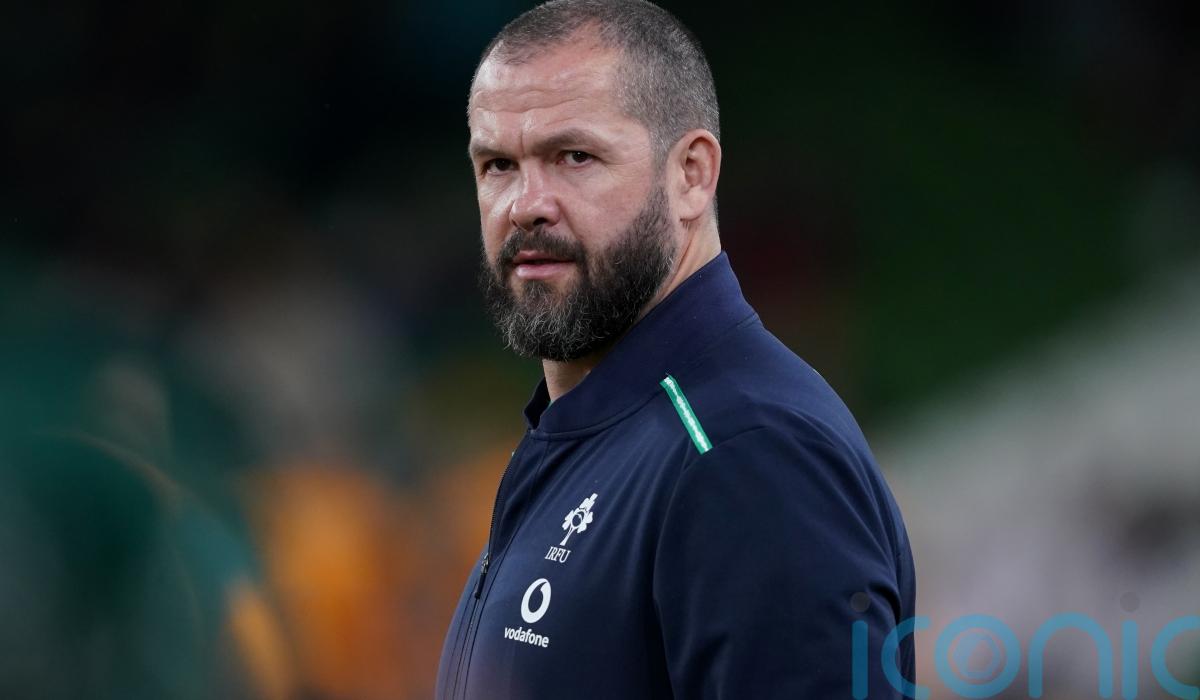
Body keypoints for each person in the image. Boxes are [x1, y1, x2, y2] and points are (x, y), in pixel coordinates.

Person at [436, 1, 915, 697]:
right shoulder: (595, 434)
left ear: (691, 174)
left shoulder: (745, 455)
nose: (525, 204)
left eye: (574, 157)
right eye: (498, 165)